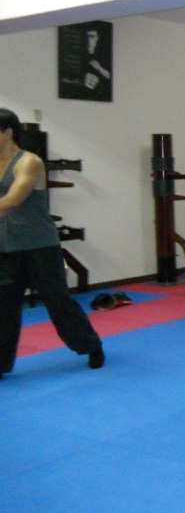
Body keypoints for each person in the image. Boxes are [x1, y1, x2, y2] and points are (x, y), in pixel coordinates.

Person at [0, 108, 104, 377]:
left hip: (39, 246)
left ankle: (91, 346)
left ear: (7, 133)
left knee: (57, 302)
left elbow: (12, 200)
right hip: (6, 247)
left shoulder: (29, 162)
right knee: (3, 306)